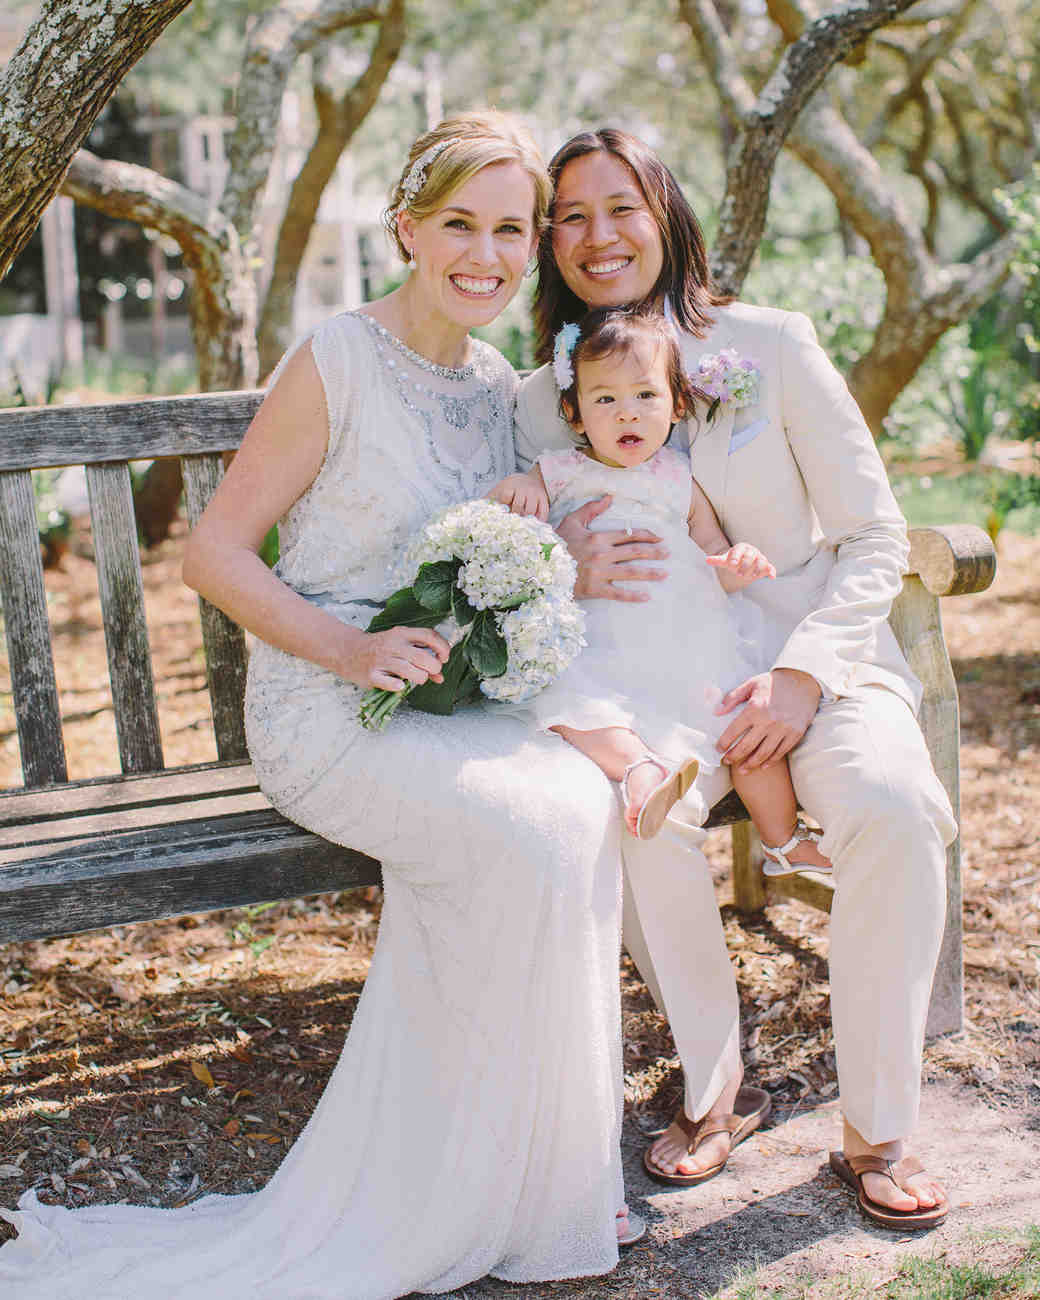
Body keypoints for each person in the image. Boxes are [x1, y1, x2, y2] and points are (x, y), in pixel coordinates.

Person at [0, 112, 642, 1300]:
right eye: (460, 224)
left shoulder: (496, 382)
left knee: (577, 804)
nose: (487, 255)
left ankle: (535, 1170)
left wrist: (562, 568)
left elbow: (481, 550)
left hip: (444, 702)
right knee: (523, 829)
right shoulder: (336, 358)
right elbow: (214, 556)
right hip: (327, 707)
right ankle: (433, 1183)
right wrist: (350, 650)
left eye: (510, 230)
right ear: (406, 227)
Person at [515, 128, 956, 1229]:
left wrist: (803, 676)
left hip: (818, 665)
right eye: (568, 215)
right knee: (637, 813)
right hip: (652, 681)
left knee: (896, 810)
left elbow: (871, 533)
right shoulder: (543, 394)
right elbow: (520, 547)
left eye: (618, 205)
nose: (595, 234)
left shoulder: (770, 342)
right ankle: (717, 1090)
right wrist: (558, 564)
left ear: (665, 211)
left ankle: (877, 1127)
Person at [493, 306, 832, 879]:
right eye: (605, 400)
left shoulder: (680, 479)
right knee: (578, 704)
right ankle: (638, 774)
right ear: (575, 416)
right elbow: (510, 514)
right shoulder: (559, 472)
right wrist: (520, 487)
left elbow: (713, 556)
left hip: (689, 642)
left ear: (676, 405)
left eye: (645, 396)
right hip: (604, 645)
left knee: (743, 732)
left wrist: (737, 564)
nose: (627, 412)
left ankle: (783, 841)